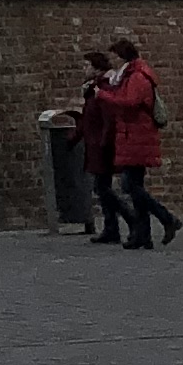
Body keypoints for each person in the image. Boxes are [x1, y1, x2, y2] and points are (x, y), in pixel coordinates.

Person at [104, 37, 182, 249]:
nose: (112, 62)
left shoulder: (137, 77)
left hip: (137, 137)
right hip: (133, 137)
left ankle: (167, 218)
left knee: (131, 186)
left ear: (122, 57)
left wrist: (103, 95)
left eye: (114, 57)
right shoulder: (128, 76)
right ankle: (143, 235)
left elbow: (129, 102)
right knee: (135, 186)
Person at [75, 47, 125, 244]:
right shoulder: (93, 89)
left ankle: (126, 218)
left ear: (96, 68)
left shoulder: (102, 89)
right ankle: (111, 227)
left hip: (101, 144)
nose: (84, 69)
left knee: (102, 187)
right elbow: (87, 119)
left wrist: (104, 141)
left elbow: (106, 118)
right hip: (96, 142)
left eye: (87, 65)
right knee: (102, 187)